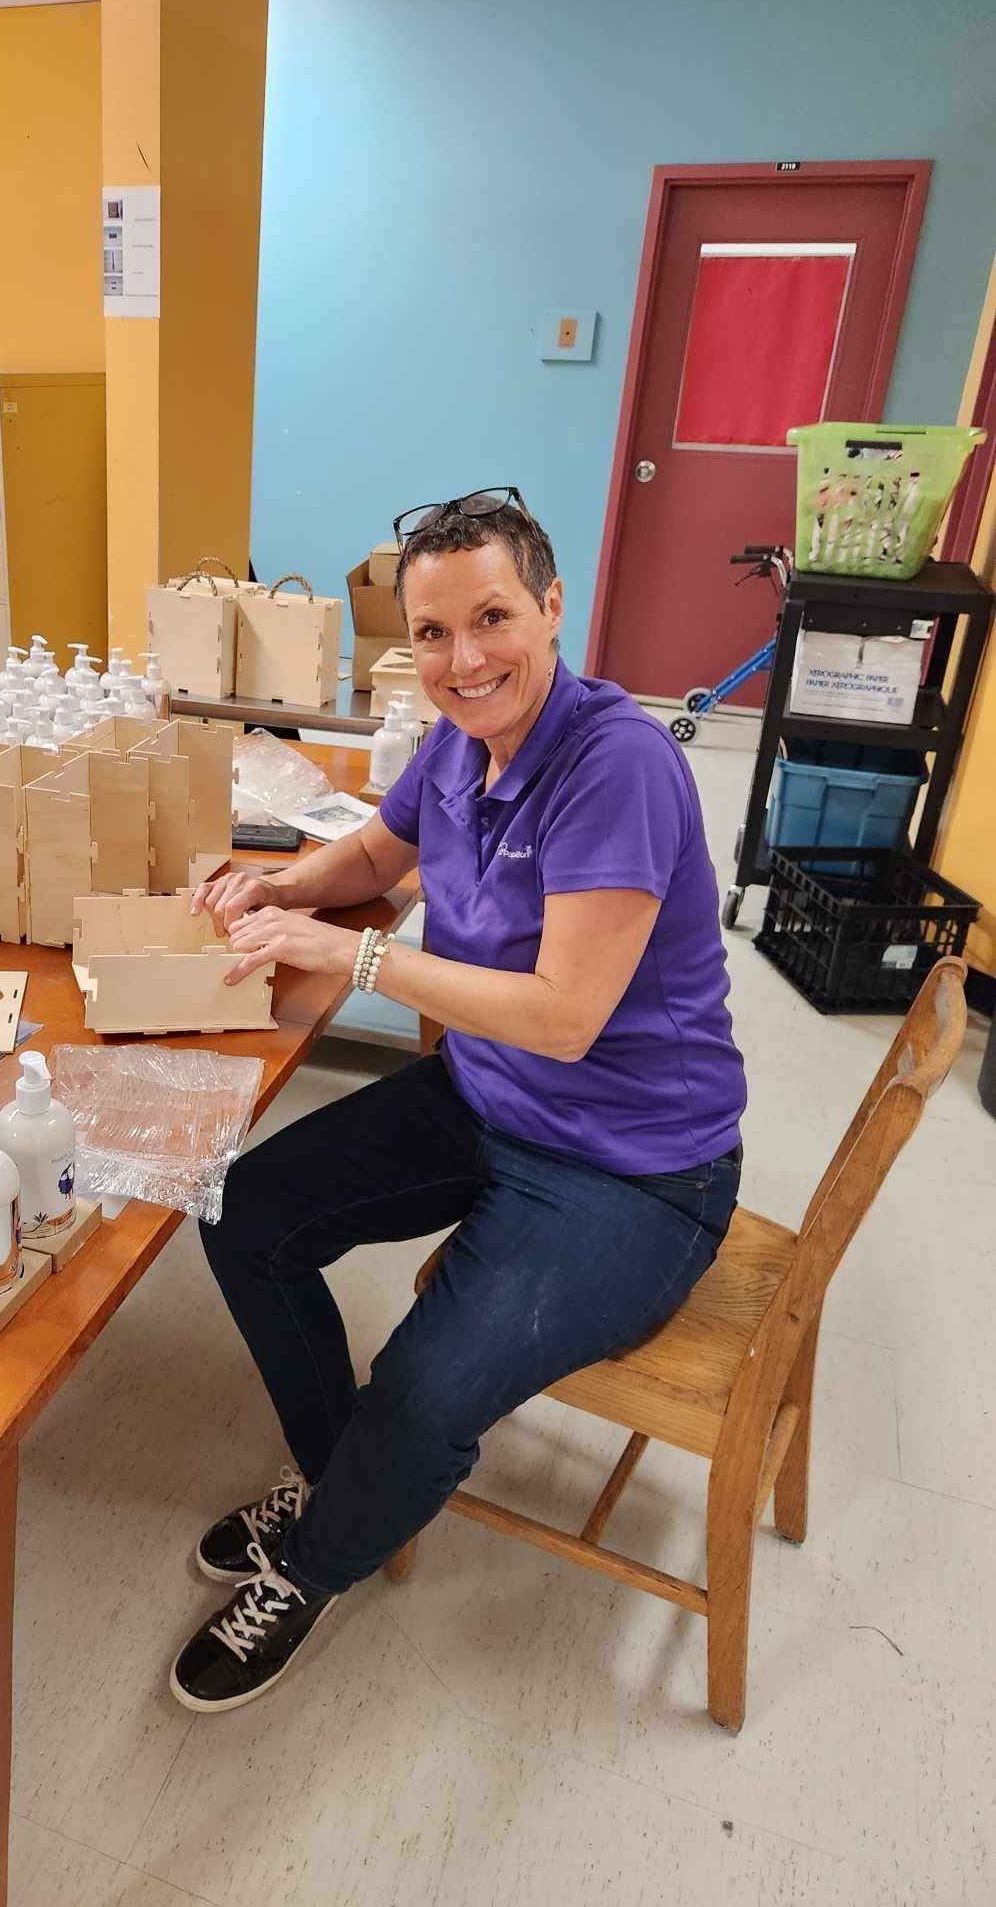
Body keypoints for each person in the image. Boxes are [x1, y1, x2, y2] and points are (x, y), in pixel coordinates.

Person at [170, 488, 746, 1713]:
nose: (463, 658)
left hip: (635, 1169)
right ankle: (351, 1486)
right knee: (243, 1212)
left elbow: (565, 1015)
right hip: (489, 1096)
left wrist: (358, 958)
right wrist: (280, 887)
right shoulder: (457, 740)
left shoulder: (616, 764)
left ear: (552, 605)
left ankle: (317, 1559)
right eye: (432, 632)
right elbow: (377, 855)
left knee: (425, 1387)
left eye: (491, 618)